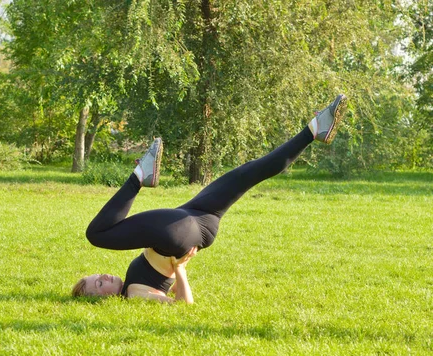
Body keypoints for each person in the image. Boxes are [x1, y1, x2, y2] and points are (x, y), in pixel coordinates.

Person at [72, 95, 348, 303]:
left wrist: (177, 270)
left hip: (199, 223)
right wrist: (180, 269)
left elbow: (172, 288)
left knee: (248, 172)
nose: (103, 278)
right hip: (177, 234)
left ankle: (313, 130)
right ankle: (139, 176)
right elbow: (183, 304)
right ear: (104, 299)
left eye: (97, 276)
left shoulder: (133, 282)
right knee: (96, 235)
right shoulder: (134, 294)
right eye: (99, 286)